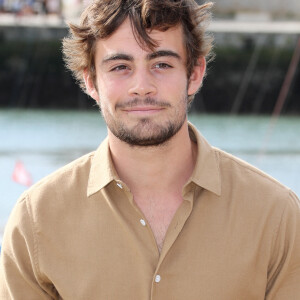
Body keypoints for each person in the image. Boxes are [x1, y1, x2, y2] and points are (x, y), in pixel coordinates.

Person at [1, 0, 300, 299]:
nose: (142, 86)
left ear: (194, 74)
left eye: (161, 64)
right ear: (90, 80)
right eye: (120, 67)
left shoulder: (277, 217)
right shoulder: (36, 222)